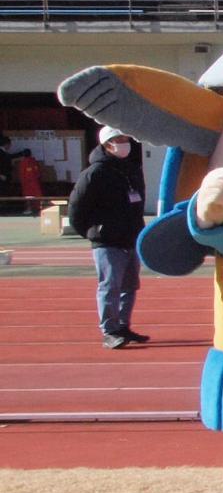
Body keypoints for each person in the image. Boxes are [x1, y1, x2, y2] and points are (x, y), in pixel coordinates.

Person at [67, 128, 149, 349]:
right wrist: (94, 232)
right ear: (106, 144)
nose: (123, 143)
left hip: (131, 237)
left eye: (125, 139)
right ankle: (110, 330)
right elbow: (76, 208)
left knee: (129, 286)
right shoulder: (94, 173)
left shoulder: (131, 169)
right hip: (108, 241)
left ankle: (123, 326)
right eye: (117, 140)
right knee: (110, 285)